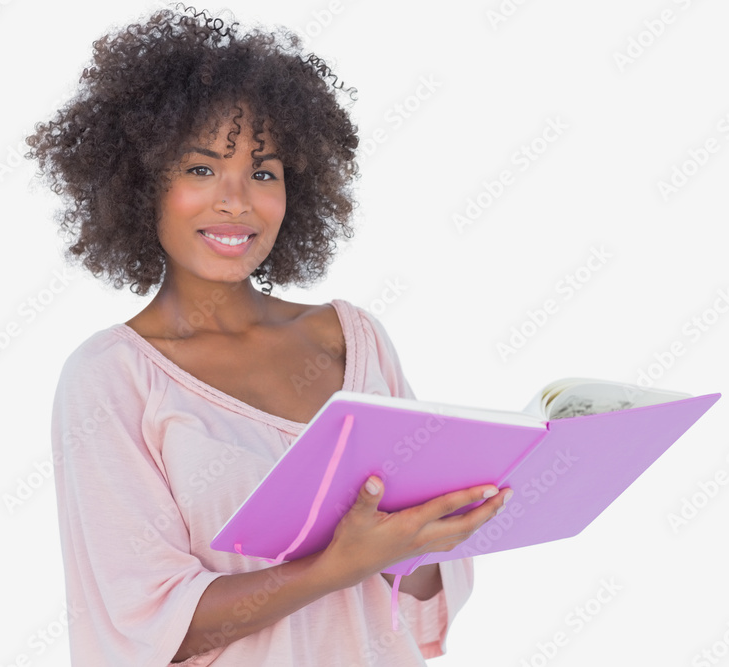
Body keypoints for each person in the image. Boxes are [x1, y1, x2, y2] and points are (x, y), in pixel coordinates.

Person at [27, 6, 511, 665]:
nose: (237, 200)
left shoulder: (353, 336)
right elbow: (145, 622)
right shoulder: (111, 377)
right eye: (200, 169)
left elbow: (420, 591)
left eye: (263, 172)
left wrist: (434, 532)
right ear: (141, 184)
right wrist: (332, 566)